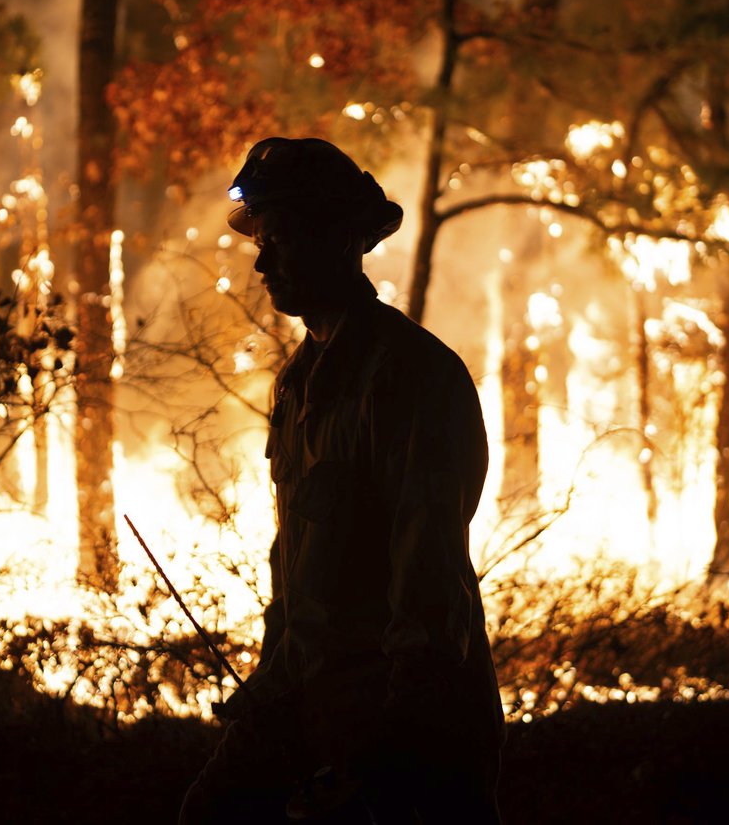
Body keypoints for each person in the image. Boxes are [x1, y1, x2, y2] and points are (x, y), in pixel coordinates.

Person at [179, 138, 504, 824]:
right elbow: (295, 568)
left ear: (338, 238)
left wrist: (386, 753)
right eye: (260, 242)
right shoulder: (298, 385)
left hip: (408, 731)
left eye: (281, 239)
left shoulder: (411, 376)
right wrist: (269, 687)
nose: (262, 262)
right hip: (311, 698)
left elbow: (428, 580)